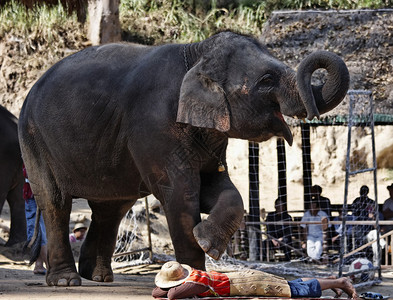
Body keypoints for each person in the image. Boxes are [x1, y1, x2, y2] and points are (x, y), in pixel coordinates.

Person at [152, 261, 358, 300]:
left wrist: (170, 285)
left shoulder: (194, 283)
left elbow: (171, 295)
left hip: (243, 283)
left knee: (295, 290)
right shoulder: (192, 276)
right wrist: (169, 283)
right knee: (292, 283)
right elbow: (157, 292)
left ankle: (340, 283)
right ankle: (331, 280)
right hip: (239, 279)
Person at [23, 165, 48, 275]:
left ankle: (39, 264)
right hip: (37, 194)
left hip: (33, 195)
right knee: (39, 232)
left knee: (37, 230)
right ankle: (48, 265)